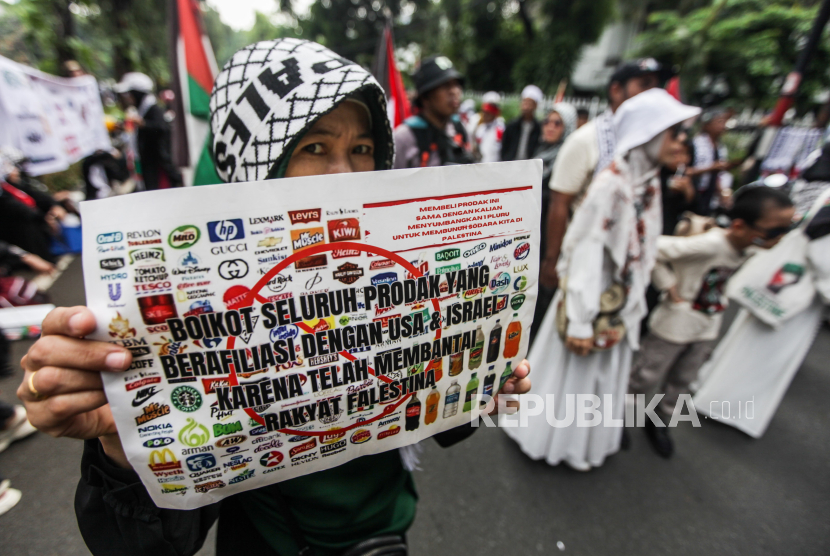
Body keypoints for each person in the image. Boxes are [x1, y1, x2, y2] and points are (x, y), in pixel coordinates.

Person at [16, 39, 531, 555]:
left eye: (361, 149)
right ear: (253, 171)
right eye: (313, 148)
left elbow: (430, 410)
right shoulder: (197, 315)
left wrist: (482, 380)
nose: (345, 176)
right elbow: (144, 545)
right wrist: (120, 445)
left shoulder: (393, 276)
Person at [503, 89, 700, 471]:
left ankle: (587, 443)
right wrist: (579, 319)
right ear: (648, 134)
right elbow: (587, 253)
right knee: (573, 380)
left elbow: (647, 242)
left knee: (602, 379)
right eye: (673, 132)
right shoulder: (612, 184)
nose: (681, 142)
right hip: (590, 302)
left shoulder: (648, 183)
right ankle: (552, 443)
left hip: (620, 303)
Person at [629, 186, 795, 457]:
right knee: (646, 375)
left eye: (788, 229)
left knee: (683, 378)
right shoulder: (711, 244)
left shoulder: (752, 249)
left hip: (707, 325)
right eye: (775, 231)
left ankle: (660, 421)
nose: (780, 238)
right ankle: (622, 419)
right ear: (740, 226)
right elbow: (652, 248)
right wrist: (668, 285)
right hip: (675, 323)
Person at [693, 176, 830, 439]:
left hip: (787, 278)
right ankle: (725, 405)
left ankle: (709, 388)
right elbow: (823, 255)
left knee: (742, 343)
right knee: (765, 354)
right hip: (802, 290)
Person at [540, 58, 664, 294]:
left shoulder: (646, 144)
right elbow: (560, 204)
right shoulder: (586, 140)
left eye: (656, 87)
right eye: (644, 85)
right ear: (616, 90)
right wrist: (552, 260)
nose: (652, 95)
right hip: (582, 259)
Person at [530, 103, 577, 343]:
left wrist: (552, 256)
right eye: (547, 122)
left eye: (557, 123)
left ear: (567, 127)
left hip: (548, 239)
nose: (549, 127)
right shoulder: (540, 152)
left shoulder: (565, 159)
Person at [393, 56, 474, 168]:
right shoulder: (404, 137)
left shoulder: (461, 129)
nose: (454, 91)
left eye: (456, 84)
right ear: (425, 97)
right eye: (446, 86)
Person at [113, 72, 182, 190]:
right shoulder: (142, 109)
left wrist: (144, 124)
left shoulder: (153, 108)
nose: (128, 98)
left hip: (157, 165)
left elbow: (162, 129)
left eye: (129, 94)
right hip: (147, 163)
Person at [687, 107, 732, 216]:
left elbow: (719, 176)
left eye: (724, 122)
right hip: (694, 192)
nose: (722, 126)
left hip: (710, 196)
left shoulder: (721, 148)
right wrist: (711, 168)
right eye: (719, 122)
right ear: (707, 125)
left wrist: (723, 192)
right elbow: (686, 171)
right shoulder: (695, 144)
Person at [659, 137, 697, 235]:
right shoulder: (657, 172)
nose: (677, 157)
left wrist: (688, 192)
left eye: (682, 153)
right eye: (675, 152)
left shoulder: (687, 178)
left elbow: (691, 210)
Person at [500, 85, 543, 162]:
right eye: (524, 102)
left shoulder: (539, 128)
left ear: (535, 105)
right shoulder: (512, 126)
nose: (526, 107)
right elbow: (504, 147)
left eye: (530, 103)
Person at [471, 91, 505, 163]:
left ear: (493, 114)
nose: (484, 115)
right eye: (484, 112)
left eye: (487, 113)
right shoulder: (480, 128)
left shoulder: (500, 128)